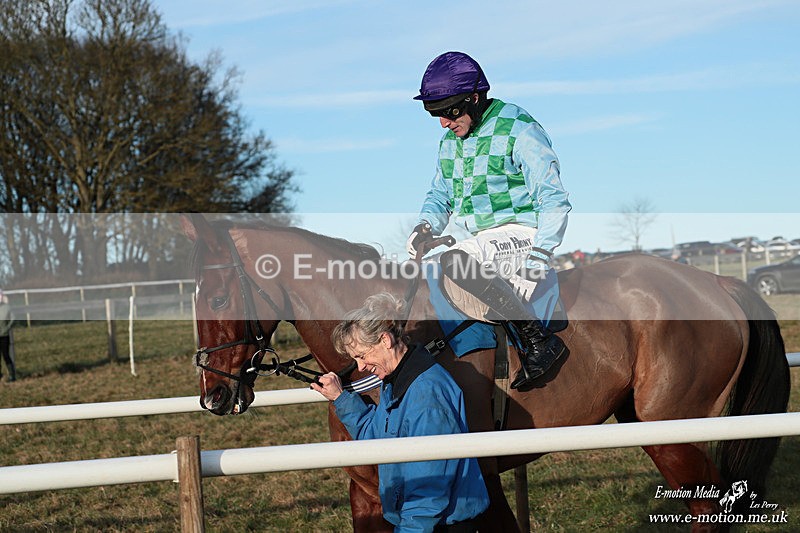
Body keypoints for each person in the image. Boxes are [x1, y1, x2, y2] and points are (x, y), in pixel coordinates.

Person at [406, 51, 572, 391]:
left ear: (475, 98)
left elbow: (554, 199)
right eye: (434, 114)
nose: (443, 123)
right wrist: (425, 226)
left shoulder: (519, 129)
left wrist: (539, 258)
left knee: (457, 259)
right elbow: (441, 196)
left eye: (448, 112)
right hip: (482, 240)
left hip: (524, 232)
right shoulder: (449, 142)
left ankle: (539, 341)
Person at [311, 293, 489, 532]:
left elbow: (429, 487)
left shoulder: (426, 394)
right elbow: (377, 439)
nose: (361, 367)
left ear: (385, 340)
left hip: (438, 524)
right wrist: (341, 398)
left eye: (362, 356)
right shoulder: (395, 381)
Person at [0, 289, 16, 382]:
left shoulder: (7, 307)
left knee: (6, 355)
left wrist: (7, 327)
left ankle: (12, 376)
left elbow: (13, 318)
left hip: (4, 335)